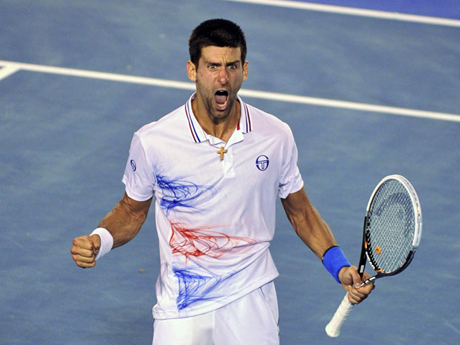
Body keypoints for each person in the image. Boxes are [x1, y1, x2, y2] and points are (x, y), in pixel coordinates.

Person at [70, 18, 373, 345]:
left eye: (232, 66)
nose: (223, 77)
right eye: (213, 66)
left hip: (251, 299)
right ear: (192, 70)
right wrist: (100, 240)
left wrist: (340, 267)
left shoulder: (275, 136)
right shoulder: (154, 141)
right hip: (182, 306)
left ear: (245, 70)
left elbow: (301, 213)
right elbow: (131, 211)